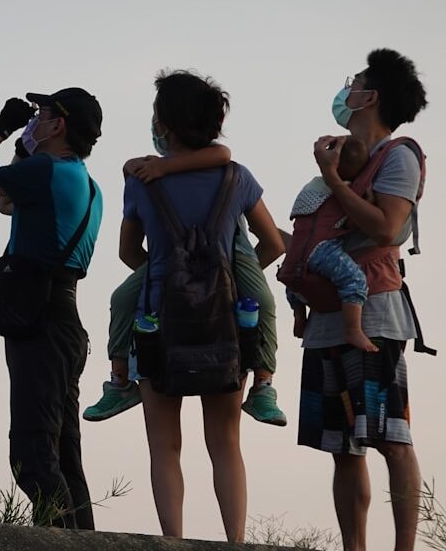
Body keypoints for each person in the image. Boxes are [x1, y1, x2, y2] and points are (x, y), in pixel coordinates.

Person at [119, 70, 284, 541]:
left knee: (164, 445)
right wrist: (231, 278)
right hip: (226, 323)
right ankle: (234, 539)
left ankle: (173, 538)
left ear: (166, 123)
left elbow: (128, 253)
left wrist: (168, 275)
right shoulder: (236, 178)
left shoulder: (142, 180)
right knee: (226, 443)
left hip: (158, 321)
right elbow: (272, 244)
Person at [294, 49, 428, 551]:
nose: (345, 91)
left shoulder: (399, 156)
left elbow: (387, 226)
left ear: (370, 97)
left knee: (391, 436)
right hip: (330, 315)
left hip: (374, 315)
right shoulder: (351, 155)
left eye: (354, 83)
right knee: (343, 446)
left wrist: (331, 179)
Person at [0, 88, 104, 530]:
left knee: (32, 456)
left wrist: (0, 131)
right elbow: (6, 202)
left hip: (41, 323)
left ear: (58, 125)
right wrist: (24, 147)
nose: (31, 123)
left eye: (39, 116)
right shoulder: (82, 181)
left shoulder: (46, 170)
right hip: (64, 319)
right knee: (64, 457)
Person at [82, 131, 288, 427]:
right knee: (122, 298)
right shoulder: (154, 171)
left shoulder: (216, 165)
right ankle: (119, 382)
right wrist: (180, 283)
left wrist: (227, 283)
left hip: (227, 255)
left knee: (262, 300)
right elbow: (129, 167)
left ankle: (264, 384)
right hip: (177, 267)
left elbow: (223, 153)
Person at [284, 134, 380, 353]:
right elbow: (359, 222)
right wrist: (371, 201)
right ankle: (353, 330)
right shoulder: (344, 191)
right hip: (322, 248)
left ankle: (299, 316)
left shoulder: (312, 186)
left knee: (293, 284)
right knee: (355, 280)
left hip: (297, 251)